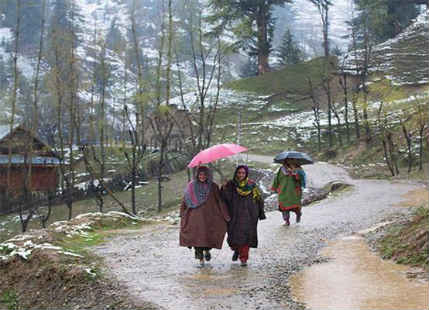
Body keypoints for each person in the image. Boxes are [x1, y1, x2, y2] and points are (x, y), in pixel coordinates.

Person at [179, 166, 230, 266]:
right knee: (196, 237)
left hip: (209, 217)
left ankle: (207, 251)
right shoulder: (191, 186)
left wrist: (224, 188)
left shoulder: (213, 186)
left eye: (204, 174)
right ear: (197, 175)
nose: (202, 176)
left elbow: (220, 200)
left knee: (207, 237)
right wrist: (182, 212)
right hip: (194, 218)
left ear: (208, 175)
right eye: (200, 174)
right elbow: (185, 200)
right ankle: (200, 258)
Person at [221, 165, 266, 266]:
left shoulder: (252, 185)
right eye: (239, 173)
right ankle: (237, 250)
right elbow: (225, 199)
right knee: (233, 237)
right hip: (234, 215)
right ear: (236, 173)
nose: (241, 175)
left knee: (246, 237)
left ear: (246, 174)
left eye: (243, 173)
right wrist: (224, 188)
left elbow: (258, 199)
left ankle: (244, 258)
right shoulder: (231, 185)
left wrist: (260, 213)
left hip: (249, 215)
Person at [271, 158, 306, 226]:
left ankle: (298, 214)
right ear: (286, 160)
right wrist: (275, 187)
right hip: (283, 191)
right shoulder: (282, 169)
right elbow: (277, 178)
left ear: (295, 160)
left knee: (295, 207)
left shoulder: (299, 169)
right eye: (288, 160)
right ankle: (287, 221)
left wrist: (294, 172)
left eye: (292, 160)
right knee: (283, 207)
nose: (290, 161)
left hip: (294, 192)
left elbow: (302, 179)